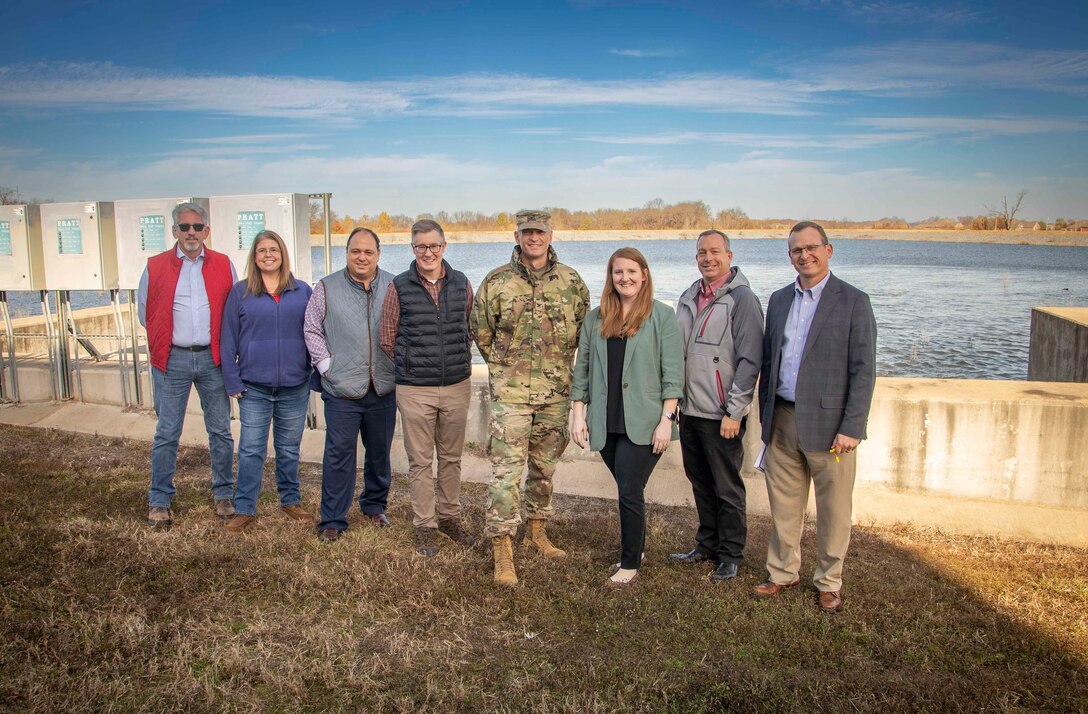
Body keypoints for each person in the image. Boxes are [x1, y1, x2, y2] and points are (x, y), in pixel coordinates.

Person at [756, 221, 877, 611]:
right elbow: (769, 360)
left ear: (829, 250)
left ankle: (829, 580)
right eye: (796, 250)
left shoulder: (853, 301)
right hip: (783, 419)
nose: (804, 255)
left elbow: (863, 369)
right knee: (784, 506)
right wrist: (766, 418)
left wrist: (852, 427)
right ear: (789, 255)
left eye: (811, 248)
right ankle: (782, 573)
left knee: (834, 509)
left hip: (831, 427)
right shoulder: (778, 300)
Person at [470, 209, 590, 586]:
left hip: (555, 394)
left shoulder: (571, 282)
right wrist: (506, 370)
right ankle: (502, 545)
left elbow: (584, 335)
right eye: (527, 232)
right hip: (511, 396)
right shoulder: (497, 282)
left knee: (545, 467)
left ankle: (537, 532)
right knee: (506, 472)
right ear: (517, 235)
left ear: (551, 234)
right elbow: (481, 332)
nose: (534, 237)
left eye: (539, 231)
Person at [570, 248, 684, 586]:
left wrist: (667, 419)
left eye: (632, 271)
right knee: (629, 486)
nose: (625, 278)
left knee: (629, 490)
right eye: (618, 272)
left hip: (647, 422)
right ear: (611, 276)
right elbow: (583, 370)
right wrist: (578, 415)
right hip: (606, 421)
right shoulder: (595, 318)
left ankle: (630, 563)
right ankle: (637, 546)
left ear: (644, 274)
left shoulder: (662, 316)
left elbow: (673, 374)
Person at [671, 230, 764, 581]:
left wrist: (734, 411)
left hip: (722, 414)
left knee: (726, 486)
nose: (707, 258)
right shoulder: (689, 295)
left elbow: (750, 360)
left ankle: (731, 554)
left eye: (714, 252)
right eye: (701, 253)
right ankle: (706, 544)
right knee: (700, 481)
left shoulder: (742, 300)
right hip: (690, 411)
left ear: (729, 254)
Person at [380, 219, 476, 556]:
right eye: (421, 246)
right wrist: (412, 365)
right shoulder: (399, 286)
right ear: (413, 249)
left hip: (456, 385)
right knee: (420, 461)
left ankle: (450, 517)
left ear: (444, 247)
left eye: (434, 245)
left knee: (451, 458)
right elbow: (387, 337)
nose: (428, 252)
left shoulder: (462, 283)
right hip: (415, 389)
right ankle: (425, 525)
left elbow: (469, 329)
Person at [139, 201, 236, 529]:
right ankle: (159, 499)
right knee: (167, 432)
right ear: (174, 231)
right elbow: (146, 313)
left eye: (197, 227)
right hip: (173, 358)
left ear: (207, 230)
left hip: (212, 358)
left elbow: (233, 309)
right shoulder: (154, 266)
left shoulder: (224, 264)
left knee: (220, 430)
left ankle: (224, 493)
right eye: (184, 227)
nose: (191, 232)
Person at [303, 227, 396, 543]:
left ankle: (374, 505)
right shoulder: (326, 288)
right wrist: (328, 366)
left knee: (379, 453)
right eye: (356, 251)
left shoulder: (395, 286)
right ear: (346, 253)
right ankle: (332, 518)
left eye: (368, 252)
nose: (362, 257)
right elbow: (312, 330)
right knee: (339, 455)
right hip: (341, 389)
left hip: (383, 386)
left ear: (378, 254)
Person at [219, 230, 314, 533]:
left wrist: (312, 371)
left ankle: (290, 500)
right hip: (254, 387)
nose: (268, 255)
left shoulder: (302, 291)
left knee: (288, 447)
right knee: (250, 449)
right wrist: (232, 382)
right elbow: (227, 339)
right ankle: (245, 507)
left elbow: (315, 333)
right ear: (254, 257)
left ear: (283, 254)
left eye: (274, 249)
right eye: (262, 250)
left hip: (294, 385)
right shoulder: (240, 292)